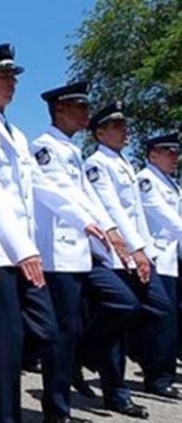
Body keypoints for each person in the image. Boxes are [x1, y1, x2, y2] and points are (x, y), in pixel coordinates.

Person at [0, 43, 107, 423]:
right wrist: (24, 249)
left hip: (24, 251)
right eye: (4, 77)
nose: (12, 84)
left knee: (48, 334)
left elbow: (39, 188)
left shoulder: (17, 135)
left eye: (13, 77)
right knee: (10, 342)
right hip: (0, 254)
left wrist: (85, 219)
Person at [30, 82, 141, 422]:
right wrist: (90, 222)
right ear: (60, 109)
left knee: (124, 302)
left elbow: (89, 196)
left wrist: (113, 233)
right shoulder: (44, 147)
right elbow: (59, 192)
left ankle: (84, 351)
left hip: (84, 252)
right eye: (79, 106)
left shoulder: (71, 151)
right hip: (57, 255)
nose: (86, 113)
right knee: (62, 335)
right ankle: (57, 410)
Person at [84, 102, 178, 413]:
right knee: (121, 318)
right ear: (100, 132)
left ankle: (86, 348)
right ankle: (117, 392)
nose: (126, 132)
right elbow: (111, 210)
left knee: (158, 309)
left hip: (138, 253)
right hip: (115, 254)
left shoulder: (123, 163)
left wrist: (144, 251)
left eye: (126, 126)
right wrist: (135, 250)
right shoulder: (97, 163)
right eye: (118, 126)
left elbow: (136, 215)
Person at [135, 133, 182, 398]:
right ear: (153, 154)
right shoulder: (146, 180)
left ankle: (164, 373)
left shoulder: (171, 183)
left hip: (172, 259)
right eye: (169, 152)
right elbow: (165, 217)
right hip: (156, 259)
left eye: (176, 153)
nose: (175, 157)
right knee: (161, 320)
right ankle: (158, 378)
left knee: (170, 318)